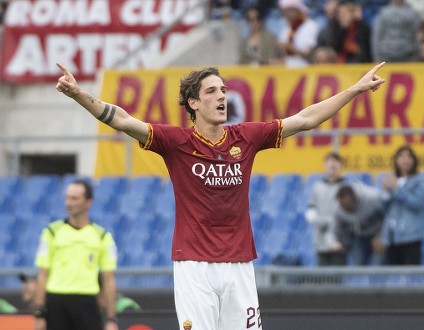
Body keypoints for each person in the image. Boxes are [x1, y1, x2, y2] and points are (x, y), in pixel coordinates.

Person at [55, 60, 385, 329]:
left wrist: (354, 90)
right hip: (194, 265)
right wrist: (79, 95)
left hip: (239, 264)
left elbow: (306, 118)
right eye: (212, 91)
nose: (222, 96)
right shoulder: (176, 142)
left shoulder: (247, 136)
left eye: (224, 90)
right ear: (194, 103)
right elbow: (124, 121)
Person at [34, 179, 119, 330]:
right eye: (67, 198)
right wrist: (39, 313)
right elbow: (42, 274)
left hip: (87, 303)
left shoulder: (102, 236)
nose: (69, 203)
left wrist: (111, 318)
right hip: (56, 302)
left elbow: (109, 280)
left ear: (88, 202)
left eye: (74, 198)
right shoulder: (51, 233)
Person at [373, 145, 424, 265]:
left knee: (411, 276)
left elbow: (417, 203)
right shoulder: (391, 179)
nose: (405, 159)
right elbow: (384, 209)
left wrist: (396, 189)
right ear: (396, 160)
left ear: (414, 160)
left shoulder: (420, 180)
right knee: (395, 276)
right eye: (401, 156)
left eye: (408, 156)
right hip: (392, 236)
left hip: (411, 236)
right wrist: (386, 192)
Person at [306, 152, 347, 266]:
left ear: (340, 166)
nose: (332, 165)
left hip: (339, 238)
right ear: (325, 165)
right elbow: (311, 208)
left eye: (336, 162)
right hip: (321, 238)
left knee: (336, 278)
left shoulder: (346, 186)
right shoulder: (317, 186)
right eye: (330, 162)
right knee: (322, 278)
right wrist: (315, 220)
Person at [334, 183, 385, 266]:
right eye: (345, 207)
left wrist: (381, 236)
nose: (348, 210)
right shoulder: (338, 209)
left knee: (377, 265)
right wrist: (343, 243)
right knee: (357, 264)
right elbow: (339, 228)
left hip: (378, 234)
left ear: (355, 199)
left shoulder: (373, 200)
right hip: (359, 235)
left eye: (349, 206)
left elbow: (388, 218)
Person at [277, 0, 319, 67]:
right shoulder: (285, 30)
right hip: (289, 71)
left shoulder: (310, 26)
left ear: (298, 10)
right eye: (284, 11)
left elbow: (307, 54)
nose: (286, 14)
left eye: (289, 10)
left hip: (306, 70)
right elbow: (284, 56)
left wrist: (288, 46)